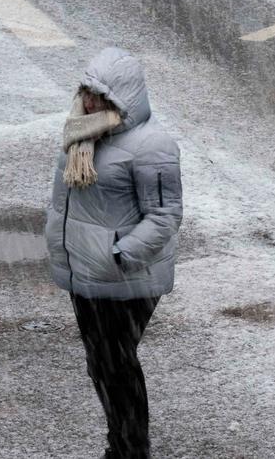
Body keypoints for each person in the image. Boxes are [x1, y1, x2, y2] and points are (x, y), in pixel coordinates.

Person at [44, 46, 184, 459]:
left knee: (116, 365)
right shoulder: (80, 132)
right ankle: (121, 445)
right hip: (85, 270)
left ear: (123, 97)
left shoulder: (151, 146)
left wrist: (119, 256)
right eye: (87, 91)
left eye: (100, 96)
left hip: (124, 276)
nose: (89, 102)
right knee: (102, 366)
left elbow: (164, 216)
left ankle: (129, 450)